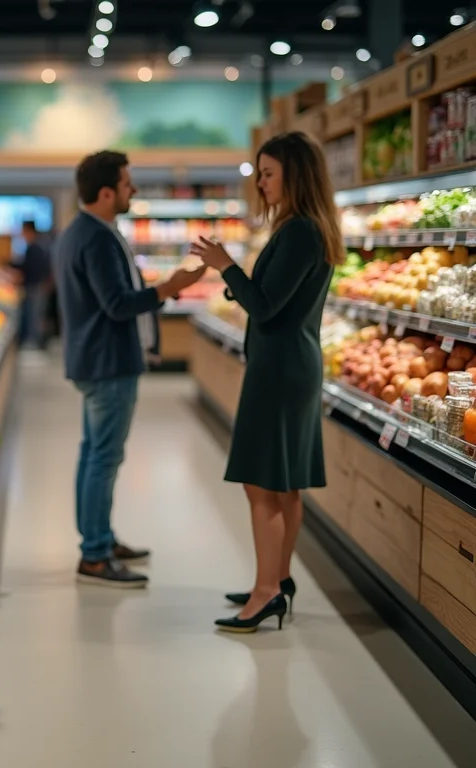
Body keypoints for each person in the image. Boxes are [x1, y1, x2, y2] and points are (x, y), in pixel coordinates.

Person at [190, 131, 343, 631]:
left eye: (268, 172)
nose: (260, 182)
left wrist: (225, 266)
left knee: (260, 486)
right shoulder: (309, 228)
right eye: (260, 172)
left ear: (295, 175)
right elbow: (272, 300)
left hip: (278, 369)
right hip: (292, 362)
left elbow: (264, 305)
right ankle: (279, 578)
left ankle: (265, 591)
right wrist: (239, 279)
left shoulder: (300, 231)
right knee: (286, 484)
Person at [55, 150, 206, 588]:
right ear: (106, 193)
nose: (133, 190)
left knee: (94, 454)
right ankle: (96, 556)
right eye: (126, 184)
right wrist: (170, 288)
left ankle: (99, 538)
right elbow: (118, 305)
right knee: (103, 456)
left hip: (94, 358)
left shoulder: (82, 230)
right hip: (108, 362)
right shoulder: (97, 237)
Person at [17, 220, 53, 349]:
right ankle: (35, 342)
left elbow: (33, 268)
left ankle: (35, 342)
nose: (21, 234)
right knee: (36, 314)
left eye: (23, 231)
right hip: (37, 286)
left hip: (36, 287)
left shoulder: (35, 247)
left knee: (35, 315)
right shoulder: (37, 245)